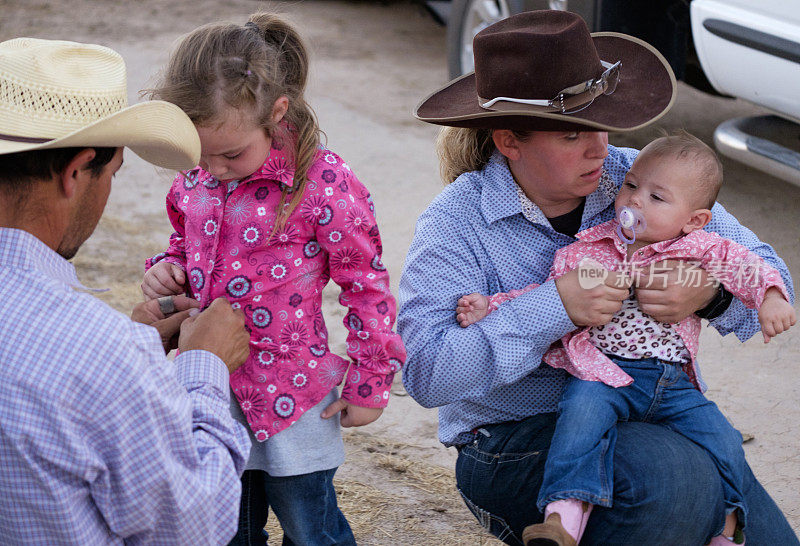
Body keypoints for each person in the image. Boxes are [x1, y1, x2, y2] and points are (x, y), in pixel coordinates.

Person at [398, 10, 800, 546]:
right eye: (570, 135)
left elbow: (768, 274)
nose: (600, 148)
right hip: (510, 442)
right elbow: (426, 375)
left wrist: (708, 294)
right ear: (508, 141)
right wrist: (554, 306)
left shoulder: (640, 178)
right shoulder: (455, 222)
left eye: (601, 121)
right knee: (680, 482)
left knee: (747, 515)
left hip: (650, 403)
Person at [140, 12, 406, 545]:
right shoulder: (195, 175)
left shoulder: (324, 185)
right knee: (226, 530)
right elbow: (182, 244)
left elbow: (366, 284)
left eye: (231, 154)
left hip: (294, 394)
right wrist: (165, 272)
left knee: (312, 530)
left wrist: (372, 380)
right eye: (201, 154)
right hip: (212, 387)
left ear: (275, 112)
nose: (213, 168)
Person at [455, 132, 796, 545]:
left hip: (672, 383)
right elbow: (544, 293)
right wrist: (492, 307)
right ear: (511, 142)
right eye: (631, 187)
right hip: (604, 376)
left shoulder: (701, 247)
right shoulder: (592, 249)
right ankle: (562, 516)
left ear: (694, 220)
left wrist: (733, 294)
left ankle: (727, 527)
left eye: (656, 198)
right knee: (581, 422)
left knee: (723, 441)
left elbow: (752, 266)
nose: (634, 200)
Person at [0, 38, 253, 544]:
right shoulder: (102, 354)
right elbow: (197, 525)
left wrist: (129, 343)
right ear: (76, 172)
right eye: (112, 173)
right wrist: (203, 368)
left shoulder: (102, 348)